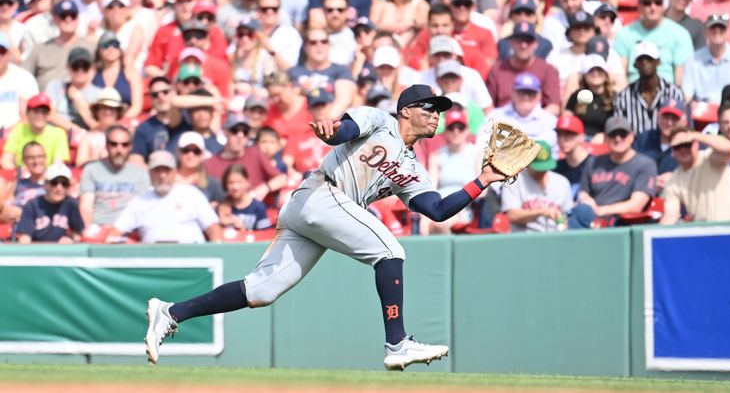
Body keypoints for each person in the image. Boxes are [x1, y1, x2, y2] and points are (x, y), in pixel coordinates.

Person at [143, 85, 510, 370]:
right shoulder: (381, 120)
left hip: (318, 211)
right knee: (391, 250)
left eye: (439, 111)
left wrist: (485, 178)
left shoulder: (413, 167)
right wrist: (330, 134)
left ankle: (172, 312)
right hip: (322, 193)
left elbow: (439, 209)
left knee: (262, 290)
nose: (436, 116)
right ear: (406, 111)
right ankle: (397, 343)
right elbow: (344, 130)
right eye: (430, 108)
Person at [106, 151, 222, 244]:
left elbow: (213, 229)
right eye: (157, 171)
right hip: (153, 264)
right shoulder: (139, 201)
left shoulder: (191, 194)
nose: (162, 176)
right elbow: (115, 233)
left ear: (175, 172)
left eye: (167, 171)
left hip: (193, 260)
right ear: (150, 173)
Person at [572, 116, 657, 227]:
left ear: (631, 136)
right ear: (606, 138)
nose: (617, 139)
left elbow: (636, 206)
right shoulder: (593, 162)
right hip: (592, 220)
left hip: (623, 222)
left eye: (622, 134)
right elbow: (583, 192)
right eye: (613, 134)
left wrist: (601, 211)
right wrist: (587, 201)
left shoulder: (645, 164)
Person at [660, 127, 730, 224]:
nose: (683, 149)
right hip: (704, 232)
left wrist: (694, 135)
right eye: (678, 146)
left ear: (696, 144)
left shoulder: (710, 158)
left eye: (687, 144)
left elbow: (728, 147)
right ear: (672, 151)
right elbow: (670, 215)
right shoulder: (673, 181)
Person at [614, 0, 693, 85]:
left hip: (667, 92)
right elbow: (619, 74)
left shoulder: (680, 33)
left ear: (663, 6)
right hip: (633, 91)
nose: (653, 7)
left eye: (658, 2)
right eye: (647, 3)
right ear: (639, 7)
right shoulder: (625, 33)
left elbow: (682, 76)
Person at [421, 110, 480, 235]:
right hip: (441, 203)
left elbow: (482, 190)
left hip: (467, 204)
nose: (456, 131)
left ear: (467, 130)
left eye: (460, 127)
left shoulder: (476, 154)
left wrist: (460, 206)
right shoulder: (436, 156)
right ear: (446, 132)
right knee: (424, 221)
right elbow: (431, 188)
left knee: (446, 223)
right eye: (451, 128)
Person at [79, 124, 150, 226]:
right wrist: (89, 231)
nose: (119, 150)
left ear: (130, 147)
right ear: (106, 146)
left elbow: (143, 209)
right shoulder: (91, 170)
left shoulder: (140, 173)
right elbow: (86, 207)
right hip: (99, 227)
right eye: (114, 144)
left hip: (129, 230)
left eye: (124, 145)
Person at [203, 115, 286, 201]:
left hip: (254, 210)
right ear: (225, 133)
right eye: (235, 130)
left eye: (245, 132)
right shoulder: (210, 163)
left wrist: (264, 188)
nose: (240, 136)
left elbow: (282, 178)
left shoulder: (254, 153)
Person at [613, 41, 686, 135]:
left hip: (667, 146)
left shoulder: (675, 93)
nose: (645, 62)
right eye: (640, 59)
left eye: (649, 59)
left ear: (658, 62)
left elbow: (683, 126)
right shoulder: (623, 97)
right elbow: (619, 130)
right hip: (635, 147)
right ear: (635, 65)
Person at [502, 140, 573, 233]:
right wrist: (541, 212)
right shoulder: (514, 181)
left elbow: (569, 215)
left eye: (545, 168)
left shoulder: (562, 182)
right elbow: (511, 215)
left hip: (555, 238)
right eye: (538, 168)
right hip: (525, 239)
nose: (542, 172)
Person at [683, 14, 730, 104]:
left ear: (728, 32)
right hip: (701, 111)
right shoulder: (693, 59)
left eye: (722, 27)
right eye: (713, 27)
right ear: (705, 32)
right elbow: (687, 95)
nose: (717, 31)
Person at [16, 162, 84, 244]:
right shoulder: (33, 205)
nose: (59, 188)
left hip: (63, 253)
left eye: (64, 183)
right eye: (54, 183)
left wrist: (72, 240)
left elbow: (78, 233)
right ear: (46, 184)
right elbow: (24, 239)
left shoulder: (71, 204)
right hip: (37, 253)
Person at [1, 93, 69, 169]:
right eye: (36, 111)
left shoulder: (59, 133)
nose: (40, 115)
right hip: (21, 177)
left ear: (49, 114)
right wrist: (20, 174)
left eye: (44, 112)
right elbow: (5, 160)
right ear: (27, 113)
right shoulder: (19, 129)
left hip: (46, 177)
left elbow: (58, 165)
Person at [632, 100, 685, 190]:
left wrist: (677, 178)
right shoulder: (645, 138)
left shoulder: (691, 144)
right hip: (641, 191)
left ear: (684, 121)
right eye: (665, 117)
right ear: (658, 117)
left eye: (675, 119)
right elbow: (629, 166)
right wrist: (650, 180)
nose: (669, 123)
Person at [564, 55, 616, 139]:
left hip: (607, 141)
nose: (595, 73)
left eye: (599, 69)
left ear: (605, 73)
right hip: (579, 141)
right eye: (591, 70)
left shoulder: (615, 97)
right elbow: (567, 121)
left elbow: (618, 124)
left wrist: (605, 136)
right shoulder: (576, 96)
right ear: (584, 75)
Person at [74, 87, 128, 167]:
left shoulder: (126, 135)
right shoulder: (87, 137)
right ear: (97, 111)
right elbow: (80, 163)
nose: (107, 112)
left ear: (118, 111)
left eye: (112, 108)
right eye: (104, 108)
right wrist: (99, 160)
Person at [174, 131, 225, 207]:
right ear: (178, 152)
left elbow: (226, 205)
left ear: (202, 154)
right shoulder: (167, 181)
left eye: (196, 151)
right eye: (186, 150)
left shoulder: (211, 184)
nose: (190, 155)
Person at [0, 30, 38, 131]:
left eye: (1, 52)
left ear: (8, 54)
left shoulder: (23, 78)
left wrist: (7, 134)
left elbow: (32, 115)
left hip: (16, 137)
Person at [217, 164, 270, 231]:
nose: (235, 187)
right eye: (231, 183)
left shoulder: (258, 207)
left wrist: (243, 230)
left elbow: (265, 236)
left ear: (247, 182)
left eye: (239, 182)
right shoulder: (223, 207)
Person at [554, 115, 592, 200]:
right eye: (559, 134)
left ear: (581, 137)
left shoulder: (594, 165)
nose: (562, 139)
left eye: (568, 134)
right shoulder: (556, 167)